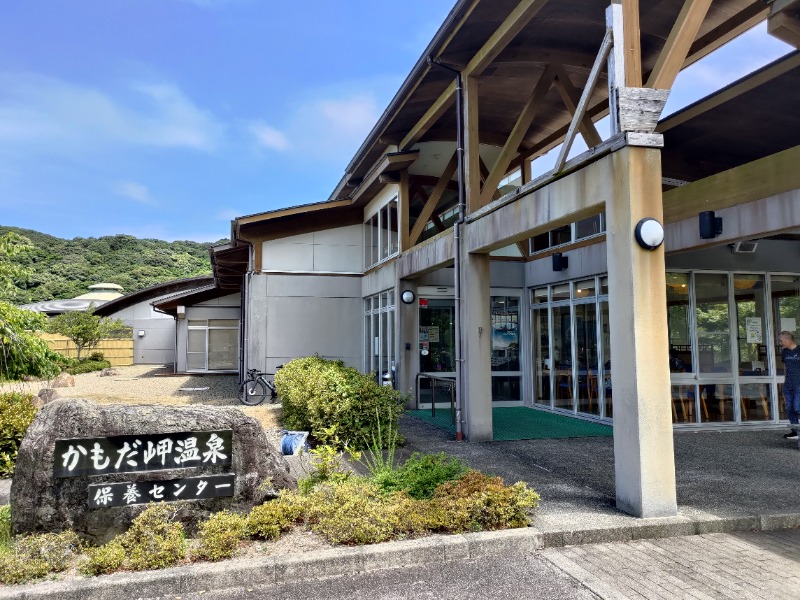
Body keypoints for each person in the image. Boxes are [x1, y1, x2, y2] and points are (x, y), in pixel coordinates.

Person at [778, 331, 800, 440]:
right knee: (789, 408)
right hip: (788, 384)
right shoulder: (785, 352)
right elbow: (785, 368)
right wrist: (785, 382)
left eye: (781, 340)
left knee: (797, 407)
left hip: (799, 384)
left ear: (788, 339)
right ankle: (795, 432)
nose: (780, 342)